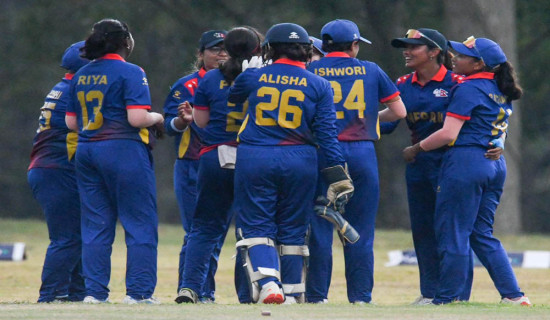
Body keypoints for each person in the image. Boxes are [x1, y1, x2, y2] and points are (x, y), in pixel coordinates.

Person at [227, 22, 353, 305]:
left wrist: (247, 74)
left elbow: (233, 98)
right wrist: (339, 175)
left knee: (258, 224)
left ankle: (270, 283)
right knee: (294, 228)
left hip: (257, 156)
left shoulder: (255, 77)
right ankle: (294, 291)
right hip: (300, 159)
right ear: (307, 50)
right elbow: (327, 136)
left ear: (269, 49)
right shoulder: (320, 84)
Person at [403, 36, 531, 306]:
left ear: (478, 64)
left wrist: (417, 149)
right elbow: (497, 131)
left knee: (453, 232)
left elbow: (448, 134)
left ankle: (447, 298)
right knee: (481, 233)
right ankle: (514, 295)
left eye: (462, 55)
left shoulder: (469, 88)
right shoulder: (499, 87)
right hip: (494, 164)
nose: (454, 58)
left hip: (465, 162)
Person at [306, 19, 407, 304]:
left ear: (323, 45)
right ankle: (360, 297)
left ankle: (316, 296)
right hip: (361, 152)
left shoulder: (311, 69)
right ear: (353, 45)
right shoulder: (371, 70)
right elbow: (399, 111)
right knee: (361, 227)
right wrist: (370, 118)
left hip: (322, 152)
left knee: (321, 224)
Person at [65, 18, 164, 304]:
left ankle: (94, 294)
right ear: (125, 42)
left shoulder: (81, 75)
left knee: (96, 224)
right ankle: (139, 293)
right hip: (122, 150)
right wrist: (158, 118)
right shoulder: (132, 71)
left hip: (87, 150)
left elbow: (72, 123)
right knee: (140, 222)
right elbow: (137, 119)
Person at [382, 28, 478, 305]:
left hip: (453, 165)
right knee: (423, 230)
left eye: (414, 47)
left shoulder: (458, 82)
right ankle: (429, 293)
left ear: (434, 52)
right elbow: (387, 125)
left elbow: (485, 117)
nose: (407, 52)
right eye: (405, 47)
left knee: (452, 231)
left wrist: (498, 141)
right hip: (419, 166)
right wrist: (347, 121)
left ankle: (457, 295)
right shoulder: (402, 83)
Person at [175, 26, 262, 304]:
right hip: (253, 157)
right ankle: (248, 293)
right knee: (251, 229)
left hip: (215, 156)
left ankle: (190, 287)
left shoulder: (210, 79)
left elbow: (200, 122)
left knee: (204, 228)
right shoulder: (264, 77)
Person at [163, 29, 227, 303]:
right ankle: (193, 290)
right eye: (215, 49)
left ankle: (202, 290)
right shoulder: (186, 85)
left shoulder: (240, 82)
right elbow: (167, 126)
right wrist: (182, 122)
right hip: (192, 164)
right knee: (197, 232)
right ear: (200, 54)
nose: (222, 54)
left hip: (226, 164)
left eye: (227, 49)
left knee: (216, 234)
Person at [28, 41, 89, 303]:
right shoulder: (75, 91)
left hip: (50, 168)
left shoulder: (63, 86)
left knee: (77, 235)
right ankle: (51, 295)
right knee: (67, 237)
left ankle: (75, 294)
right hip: (56, 168)